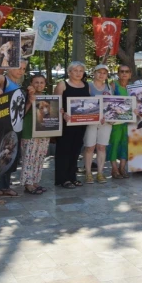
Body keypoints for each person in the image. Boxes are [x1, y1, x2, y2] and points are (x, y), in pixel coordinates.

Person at [0, 53, 27, 198]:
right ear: (10, 67)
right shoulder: (4, 79)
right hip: (1, 127)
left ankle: (5, 187)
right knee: (0, 158)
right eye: (18, 67)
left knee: (10, 157)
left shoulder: (18, 85)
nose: (21, 71)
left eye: (23, 69)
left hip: (15, 127)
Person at [54, 61, 89, 189]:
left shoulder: (86, 85)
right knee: (64, 151)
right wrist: (62, 113)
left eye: (81, 71)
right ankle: (63, 179)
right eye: (75, 70)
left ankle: (72, 177)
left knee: (75, 151)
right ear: (69, 72)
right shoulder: (62, 85)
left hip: (81, 124)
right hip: (65, 124)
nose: (78, 73)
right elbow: (55, 104)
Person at [84, 64, 114, 184]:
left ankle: (100, 173)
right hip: (91, 121)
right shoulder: (88, 86)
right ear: (94, 73)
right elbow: (83, 104)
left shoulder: (109, 87)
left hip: (106, 122)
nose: (101, 75)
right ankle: (88, 173)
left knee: (102, 147)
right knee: (89, 147)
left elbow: (112, 104)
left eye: (104, 73)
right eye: (99, 72)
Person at [20, 74, 50, 194]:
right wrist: (29, 102)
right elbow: (20, 113)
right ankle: (28, 184)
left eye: (41, 82)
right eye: (36, 82)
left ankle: (35, 181)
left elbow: (49, 115)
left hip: (43, 133)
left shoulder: (48, 97)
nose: (39, 85)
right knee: (29, 158)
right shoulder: (25, 96)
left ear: (45, 84)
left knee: (39, 158)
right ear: (31, 84)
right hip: (29, 132)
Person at [109, 65, 132, 179]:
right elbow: (108, 102)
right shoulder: (113, 85)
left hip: (129, 122)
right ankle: (114, 169)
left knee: (126, 144)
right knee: (114, 143)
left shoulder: (132, 88)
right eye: (122, 71)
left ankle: (122, 168)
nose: (124, 73)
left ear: (130, 74)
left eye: (126, 71)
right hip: (116, 121)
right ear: (118, 73)